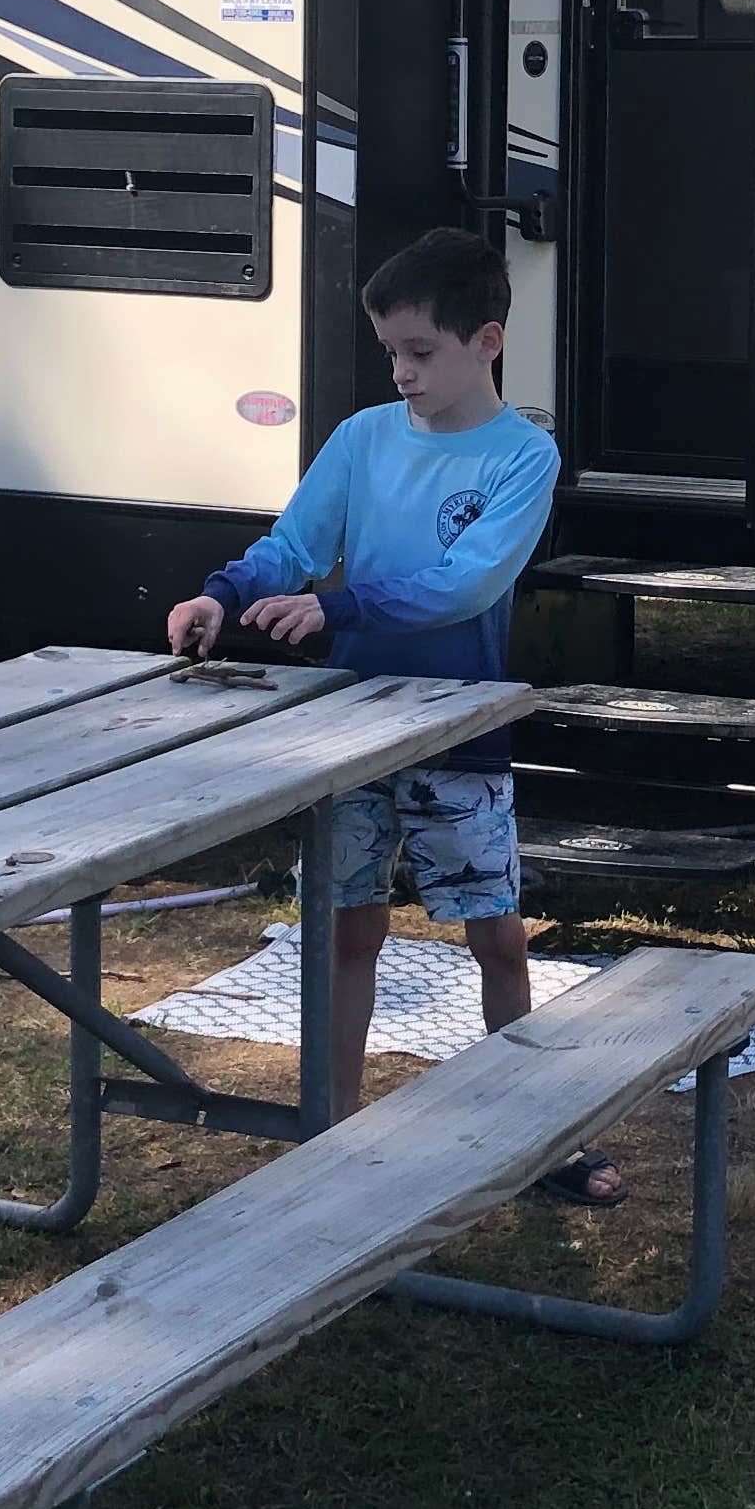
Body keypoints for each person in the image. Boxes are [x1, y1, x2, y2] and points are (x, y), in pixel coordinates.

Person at [165, 227, 617, 1199]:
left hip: (459, 732)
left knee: (496, 934)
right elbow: (295, 544)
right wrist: (222, 593)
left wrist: (340, 605)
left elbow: (464, 586)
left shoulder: (522, 457)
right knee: (346, 928)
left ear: (486, 341)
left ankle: (534, 1135)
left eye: (422, 352)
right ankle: (331, 1132)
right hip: (348, 729)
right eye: (391, 353)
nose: (402, 373)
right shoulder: (361, 439)